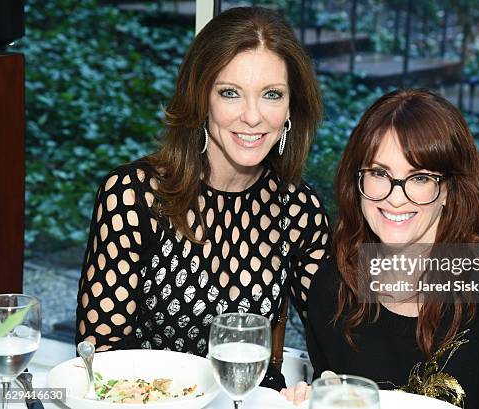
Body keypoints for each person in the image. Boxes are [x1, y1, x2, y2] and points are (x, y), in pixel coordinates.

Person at [75, 6, 331, 390]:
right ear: (201, 98)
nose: (252, 116)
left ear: (290, 107)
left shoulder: (298, 210)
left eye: (271, 95)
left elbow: (338, 336)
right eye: (230, 93)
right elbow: (103, 351)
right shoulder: (134, 197)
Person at [281, 89, 479, 408]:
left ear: (448, 191)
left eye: (420, 178)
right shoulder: (334, 289)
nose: (396, 198)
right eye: (379, 173)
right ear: (356, 180)